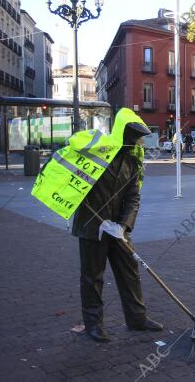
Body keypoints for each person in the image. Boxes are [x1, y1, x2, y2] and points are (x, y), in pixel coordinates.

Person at [71, 112, 163, 342]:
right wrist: (100, 220)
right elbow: (75, 183)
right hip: (93, 227)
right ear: (124, 135)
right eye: (136, 137)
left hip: (118, 229)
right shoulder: (96, 154)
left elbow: (133, 197)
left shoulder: (132, 162)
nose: (140, 143)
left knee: (129, 271)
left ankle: (137, 318)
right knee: (93, 277)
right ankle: (93, 324)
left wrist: (124, 225)